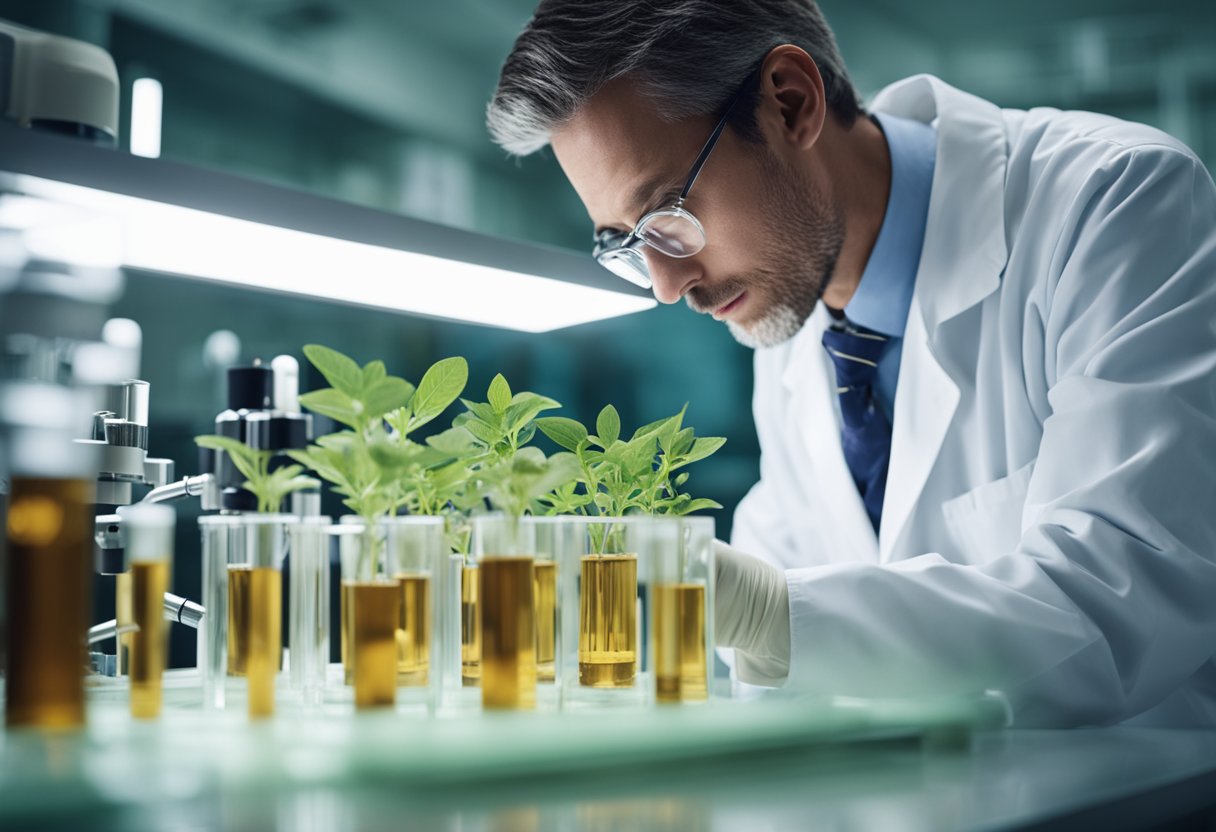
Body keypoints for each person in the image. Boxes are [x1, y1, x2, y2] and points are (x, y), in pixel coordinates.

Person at [487, 0, 1216, 727]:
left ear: (790, 103)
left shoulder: (1114, 202)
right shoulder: (792, 318)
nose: (670, 284)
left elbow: (1128, 591)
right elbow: (776, 661)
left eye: (667, 216)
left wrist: (766, 612)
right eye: (625, 244)